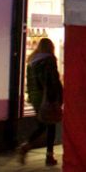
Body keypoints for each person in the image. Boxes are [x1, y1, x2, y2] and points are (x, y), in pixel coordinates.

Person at [19, 38, 63, 166]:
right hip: (48, 97)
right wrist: (56, 98)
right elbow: (52, 81)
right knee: (51, 126)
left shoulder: (32, 61)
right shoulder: (49, 60)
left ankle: (26, 146)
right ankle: (48, 156)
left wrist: (33, 99)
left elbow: (31, 84)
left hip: (36, 99)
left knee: (43, 125)